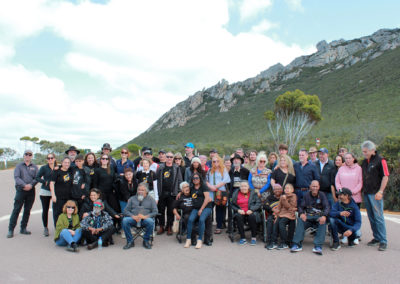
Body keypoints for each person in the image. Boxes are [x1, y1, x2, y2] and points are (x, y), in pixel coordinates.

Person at [361, 140, 389, 251]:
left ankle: (383, 241)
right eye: (363, 152)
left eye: (366, 152)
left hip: (376, 194)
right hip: (367, 193)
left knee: (378, 217)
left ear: (373, 150)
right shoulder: (364, 161)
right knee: (371, 217)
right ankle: (376, 238)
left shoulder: (380, 160)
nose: (364, 154)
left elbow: (385, 176)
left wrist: (380, 191)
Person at [290, 180, 330, 255]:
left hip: (319, 217)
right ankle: (297, 244)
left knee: (323, 221)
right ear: (310, 187)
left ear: (319, 187)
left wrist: (324, 216)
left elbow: (327, 207)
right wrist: (301, 213)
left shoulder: (322, 195)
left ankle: (318, 246)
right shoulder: (306, 195)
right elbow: (301, 207)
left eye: (316, 186)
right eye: (313, 186)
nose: (314, 188)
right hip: (308, 217)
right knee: (300, 219)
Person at [7, 150, 38, 238]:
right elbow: (17, 177)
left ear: (32, 156)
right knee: (16, 209)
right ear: (24, 155)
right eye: (26, 154)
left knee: (27, 210)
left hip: (31, 191)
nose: (28, 156)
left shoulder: (35, 167)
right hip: (21, 190)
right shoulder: (19, 166)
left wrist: (31, 185)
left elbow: (37, 178)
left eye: (30, 154)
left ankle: (23, 228)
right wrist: (24, 185)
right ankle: (11, 229)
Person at [122, 182, 158, 250]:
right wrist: (133, 216)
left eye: (142, 190)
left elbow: (155, 212)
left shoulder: (151, 199)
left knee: (150, 221)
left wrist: (145, 216)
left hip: (145, 220)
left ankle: (146, 241)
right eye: (139, 190)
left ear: (146, 191)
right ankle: (130, 241)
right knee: (125, 220)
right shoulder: (132, 199)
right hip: (134, 219)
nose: (140, 191)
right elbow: (125, 211)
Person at [156, 152, 183, 235]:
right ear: (165, 157)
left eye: (171, 157)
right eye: (167, 156)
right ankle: (161, 226)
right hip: (162, 192)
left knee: (170, 211)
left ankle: (169, 227)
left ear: (173, 158)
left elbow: (180, 180)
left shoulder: (176, 167)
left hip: (172, 193)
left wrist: (179, 191)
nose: (169, 158)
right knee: (161, 210)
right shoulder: (160, 167)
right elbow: (156, 180)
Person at [184, 173, 212, 249]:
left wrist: (201, 209)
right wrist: (180, 193)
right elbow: (186, 192)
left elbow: (207, 199)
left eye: (197, 178)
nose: (195, 180)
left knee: (201, 220)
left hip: (206, 207)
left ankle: (199, 240)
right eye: (194, 178)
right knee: (190, 219)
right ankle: (188, 239)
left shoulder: (204, 186)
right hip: (196, 208)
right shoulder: (192, 187)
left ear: (200, 179)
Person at [206, 154, 231, 234]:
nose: (215, 162)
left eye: (217, 161)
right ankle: (208, 226)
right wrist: (210, 186)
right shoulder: (209, 170)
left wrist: (215, 187)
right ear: (212, 162)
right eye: (214, 161)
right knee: (208, 209)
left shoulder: (223, 170)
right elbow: (206, 180)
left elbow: (225, 180)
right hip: (211, 193)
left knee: (219, 210)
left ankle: (219, 226)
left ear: (220, 161)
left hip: (220, 192)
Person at [231, 181, 261, 245]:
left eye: (245, 186)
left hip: (251, 212)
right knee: (238, 216)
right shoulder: (235, 193)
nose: (243, 188)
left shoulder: (253, 193)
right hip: (241, 212)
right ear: (239, 187)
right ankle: (242, 238)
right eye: (242, 186)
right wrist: (238, 210)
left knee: (252, 216)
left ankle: (253, 237)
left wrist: (252, 210)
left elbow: (258, 203)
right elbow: (232, 204)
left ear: (248, 187)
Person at [35, 152, 57, 237]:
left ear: (54, 158)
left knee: (56, 210)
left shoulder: (57, 167)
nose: (50, 159)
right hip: (45, 191)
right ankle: (45, 227)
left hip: (55, 191)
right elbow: (37, 177)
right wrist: (45, 182)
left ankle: (57, 227)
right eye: (48, 158)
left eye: (52, 158)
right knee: (45, 210)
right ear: (47, 160)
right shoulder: (44, 168)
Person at [228, 154, 250, 233]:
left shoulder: (246, 171)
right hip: (233, 192)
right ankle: (232, 226)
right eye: (234, 160)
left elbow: (249, 182)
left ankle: (243, 224)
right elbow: (228, 183)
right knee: (231, 207)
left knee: (243, 207)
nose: (236, 161)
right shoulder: (231, 171)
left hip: (243, 192)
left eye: (238, 159)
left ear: (241, 161)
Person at [50, 157, 73, 228]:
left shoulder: (70, 171)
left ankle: (65, 230)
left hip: (68, 197)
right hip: (58, 197)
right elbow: (51, 183)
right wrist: (53, 195)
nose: (67, 164)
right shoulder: (57, 171)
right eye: (65, 162)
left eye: (68, 163)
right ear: (62, 163)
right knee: (57, 214)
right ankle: (58, 231)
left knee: (67, 214)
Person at [276, 183, 297, 249]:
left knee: (281, 223)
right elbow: (279, 207)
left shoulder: (294, 196)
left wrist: (285, 200)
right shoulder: (282, 196)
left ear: (292, 190)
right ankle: (273, 241)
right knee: (276, 222)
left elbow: (290, 207)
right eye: (285, 188)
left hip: (290, 214)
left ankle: (284, 241)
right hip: (282, 213)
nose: (286, 189)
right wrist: (276, 214)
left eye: (288, 188)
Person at [264, 184, 283, 249]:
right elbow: (265, 206)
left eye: (278, 189)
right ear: (273, 190)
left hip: (283, 215)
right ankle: (269, 241)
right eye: (275, 189)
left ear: (282, 190)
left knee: (279, 221)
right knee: (269, 220)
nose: (277, 190)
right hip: (272, 214)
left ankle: (276, 241)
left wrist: (278, 213)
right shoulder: (270, 197)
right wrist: (272, 209)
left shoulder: (284, 197)